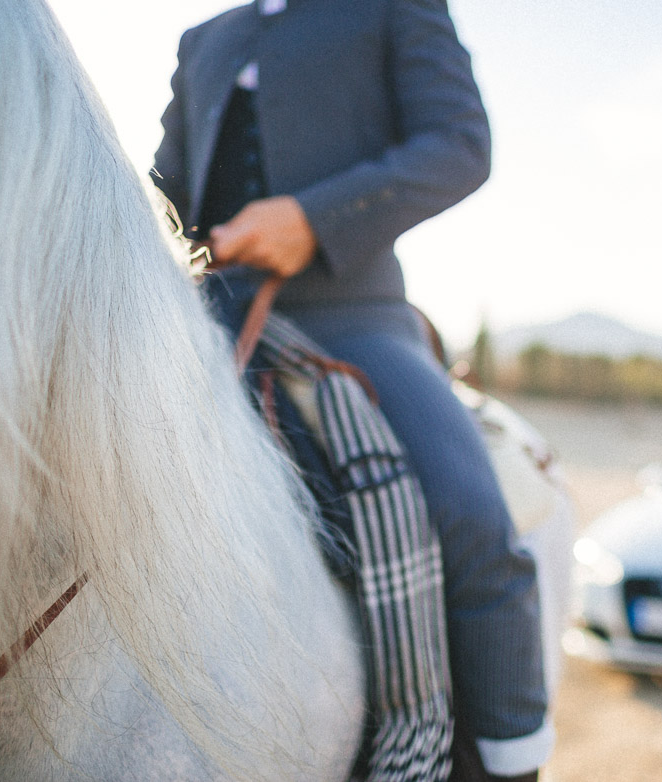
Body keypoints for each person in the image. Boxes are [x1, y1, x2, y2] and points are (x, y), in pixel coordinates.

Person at [151, 1, 551, 779]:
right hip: (208, 315)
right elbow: (167, 184)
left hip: (350, 314)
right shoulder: (202, 40)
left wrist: (310, 217)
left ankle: (508, 759)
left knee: (471, 517)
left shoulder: (394, 8)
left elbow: (460, 146)